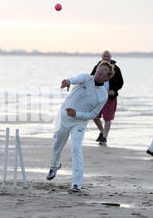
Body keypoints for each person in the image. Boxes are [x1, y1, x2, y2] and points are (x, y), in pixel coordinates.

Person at [47, 61, 114, 192]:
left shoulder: (103, 94)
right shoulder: (86, 78)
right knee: (56, 145)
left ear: (107, 77)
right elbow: (74, 78)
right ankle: (54, 166)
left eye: (103, 72)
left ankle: (76, 183)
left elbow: (93, 114)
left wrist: (76, 113)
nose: (99, 72)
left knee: (76, 148)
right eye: (99, 69)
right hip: (63, 117)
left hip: (79, 122)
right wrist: (67, 81)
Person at [90, 50, 124, 146]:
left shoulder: (116, 68)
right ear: (102, 57)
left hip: (110, 97)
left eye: (108, 56)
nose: (106, 57)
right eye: (104, 56)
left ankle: (104, 137)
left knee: (107, 118)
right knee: (94, 115)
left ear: (111, 57)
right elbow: (91, 78)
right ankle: (102, 131)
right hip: (98, 96)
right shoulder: (97, 67)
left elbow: (121, 82)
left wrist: (114, 90)